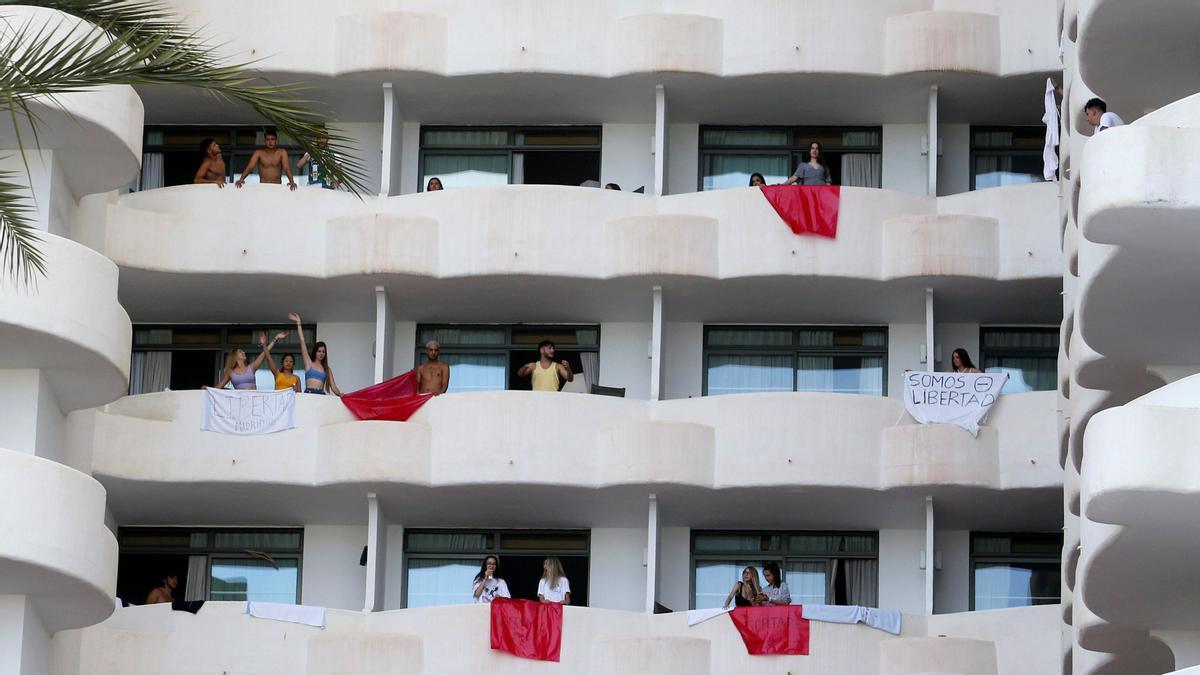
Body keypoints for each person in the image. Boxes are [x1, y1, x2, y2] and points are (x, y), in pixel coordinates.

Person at [288, 313, 343, 396]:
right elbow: (302, 341)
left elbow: (333, 387)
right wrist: (298, 323)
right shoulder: (309, 363)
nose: (321, 353)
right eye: (319, 351)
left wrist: (340, 394)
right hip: (308, 396)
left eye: (323, 352)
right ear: (315, 352)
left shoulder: (327, 369)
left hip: (321, 397)